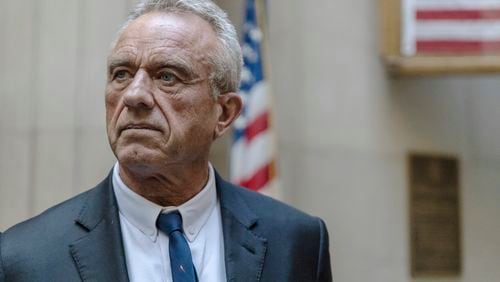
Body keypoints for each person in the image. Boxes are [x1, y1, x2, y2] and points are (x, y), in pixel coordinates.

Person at [0, 0, 332, 281]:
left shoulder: (297, 242)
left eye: (167, 76)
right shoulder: (22, 258)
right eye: (121, 74)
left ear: (225, 113)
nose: (134, 96)